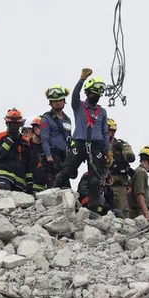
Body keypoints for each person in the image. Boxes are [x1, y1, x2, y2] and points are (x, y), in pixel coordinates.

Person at [53, 68, 110, 211]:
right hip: (79, 143)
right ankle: (51, 195)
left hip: (96, 146)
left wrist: (107, 150)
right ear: (88, 91)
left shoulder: (101, 112)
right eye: (94, 91)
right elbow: (75, 95)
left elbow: (105, 133)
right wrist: (82, 79)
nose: (96, 95)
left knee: (95, 178)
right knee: (66, 170)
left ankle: (93, 208)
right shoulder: (79, 106)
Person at [0, 108, 35, 193]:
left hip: (20, 182)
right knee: (4, 201)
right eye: (11, 123)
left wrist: (29, 182)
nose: (14, 126)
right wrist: (10, 140)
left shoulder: (25, 141)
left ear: (20, 124)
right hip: (4, 177)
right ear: (6, 123)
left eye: (16, 123)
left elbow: (28, 164)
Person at [40, 85, 73, 188]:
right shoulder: (46, 118)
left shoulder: (67, 119)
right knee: (54, 185)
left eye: (60, 100)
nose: (58, 103)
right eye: (55, 101)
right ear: (51, 103)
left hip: (65, 157)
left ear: (64, 101)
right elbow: (44, 139)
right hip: (54, 156)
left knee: (66, 186)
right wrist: (49, 158)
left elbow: (70, 139)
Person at [106, 118, 136, 217]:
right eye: (109, 131)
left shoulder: (120, 145)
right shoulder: (98, 146)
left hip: (119, 186)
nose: (111, 133)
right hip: (103, 185)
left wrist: (129, 155)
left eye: (112, 131)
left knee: (122, 212)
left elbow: (128, 153)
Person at [128, 145, 149, 220]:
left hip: (139, 214)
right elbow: (139, 194)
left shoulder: (139, 171)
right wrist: (147, 215)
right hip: (138, 215)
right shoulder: (141, 172)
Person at [28, 117, 49, 193]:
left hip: (41, 187)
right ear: (33, 128)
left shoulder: (47, 149)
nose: (41, 130)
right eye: (38, 127)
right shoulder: (26, 145)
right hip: (26, 184)